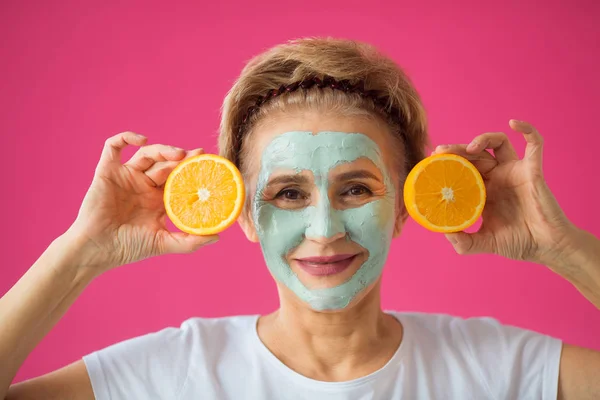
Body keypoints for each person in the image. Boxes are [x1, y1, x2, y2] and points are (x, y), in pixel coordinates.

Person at [1, 37, 599, 400]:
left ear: (405, 205)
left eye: (358, 189)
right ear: (243, 214)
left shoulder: (501, 371)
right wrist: (80, 250)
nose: (324, 229)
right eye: (287, 193)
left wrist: (560, 248)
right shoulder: (172, 375)